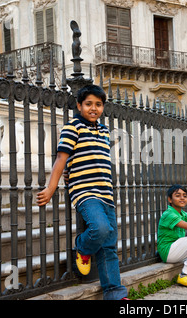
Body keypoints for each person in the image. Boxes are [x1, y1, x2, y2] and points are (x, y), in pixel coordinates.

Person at [36, 84, 128, 300]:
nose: (93, 108)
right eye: (88, 104)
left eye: (98, 104)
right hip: (85, 191)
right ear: (79, 105)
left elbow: (93, 156)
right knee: (100, 228)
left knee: (109, 245)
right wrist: (51, 188)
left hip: (106, 193)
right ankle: (82, 248)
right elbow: (62, 157)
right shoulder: (72, 127)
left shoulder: (104, 130)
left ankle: (115, 293)